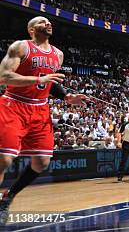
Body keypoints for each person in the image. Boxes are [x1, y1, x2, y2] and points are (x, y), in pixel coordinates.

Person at [0, 16, 84, 226]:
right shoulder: (21, 47)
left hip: (39, 110)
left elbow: (52, 83)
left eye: (48, 22)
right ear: (31, 30)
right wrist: (39, 79)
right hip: (14, 105)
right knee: (4, 159)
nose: (47, 24)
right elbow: (3, 76)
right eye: (41, 22)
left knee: (42, 162)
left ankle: (8, 196)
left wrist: (67, 97)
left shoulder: (58, 54)